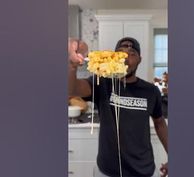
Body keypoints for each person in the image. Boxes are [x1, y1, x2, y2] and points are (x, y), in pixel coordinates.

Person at [68, 37, 168, 177]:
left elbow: (160, 123)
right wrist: (72, 65)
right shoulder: (101, 83)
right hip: (108, 171)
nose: (125, 58)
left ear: (140, 59)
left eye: (132, 54)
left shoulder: (151, 91)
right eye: (120, 53)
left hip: (143, 170)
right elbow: (71, 90)